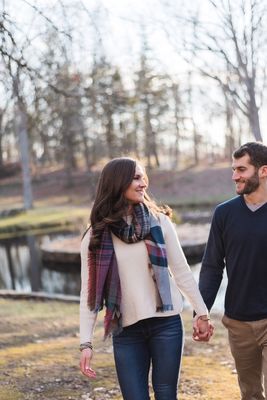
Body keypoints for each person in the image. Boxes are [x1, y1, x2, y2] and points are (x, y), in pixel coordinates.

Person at [79, 156, 213, 400]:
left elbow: (181, 272)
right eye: (136, 178)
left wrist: (202, 313)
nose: (143, 184)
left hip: (166, 324)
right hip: (126, 331)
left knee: (165, 394)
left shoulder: (160, 221)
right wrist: (85, 343)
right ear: (117, 183)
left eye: (143, 177)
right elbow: (88, 295)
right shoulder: (96, 236)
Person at [197, 142, 267, 400]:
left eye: (241, 169)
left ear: (263, 171)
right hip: (238, 321)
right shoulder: (224, 213)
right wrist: (201, 312)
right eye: (234, 169)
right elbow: (212, 266)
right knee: (250, 394)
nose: (234, 176)